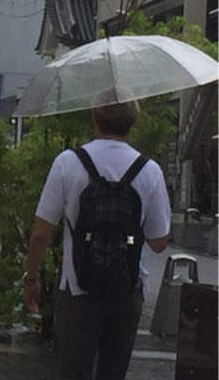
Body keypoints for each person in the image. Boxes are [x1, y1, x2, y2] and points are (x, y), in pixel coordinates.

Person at [23, 89, 171, 380]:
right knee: (113, 373)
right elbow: (158, 242)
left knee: (73, 371)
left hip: (78, 287)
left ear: (95, 118)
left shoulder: (68, 162)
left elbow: (41, 232)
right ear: (134, 123)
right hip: (128, 288)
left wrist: (32, 279)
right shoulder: (149, 170)